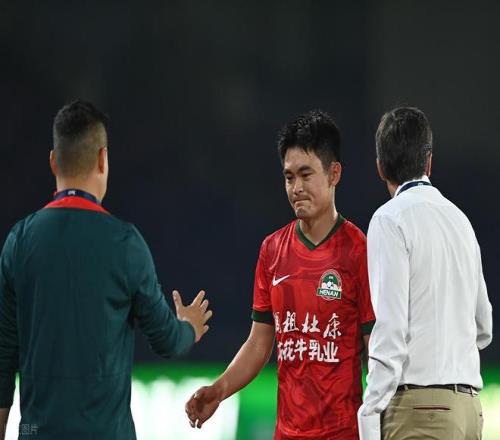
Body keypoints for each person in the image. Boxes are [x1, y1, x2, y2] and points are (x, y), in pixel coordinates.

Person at [0, 99, 212, 440]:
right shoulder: (125, 243)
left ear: (54, 161)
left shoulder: (19, 241)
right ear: (103, 159)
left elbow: (4, 353)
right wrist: (189, 327)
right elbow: (168, 341)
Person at [186, 110, 375, 439]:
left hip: (343, 432)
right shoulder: (272, 251)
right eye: (289, 177)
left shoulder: (359, 251)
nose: (296, 187)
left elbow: (374, 349)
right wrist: (219, 390)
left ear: (334, 174)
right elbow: (259, 344)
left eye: (306, 174)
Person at [357, 107, 493, 440]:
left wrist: (370, 411)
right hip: (469, 412)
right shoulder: (461, 221)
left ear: (380, 167)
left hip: (420, 412)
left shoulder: (389, 220)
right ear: (429, 162)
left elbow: (391, 329)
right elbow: (484, 326)